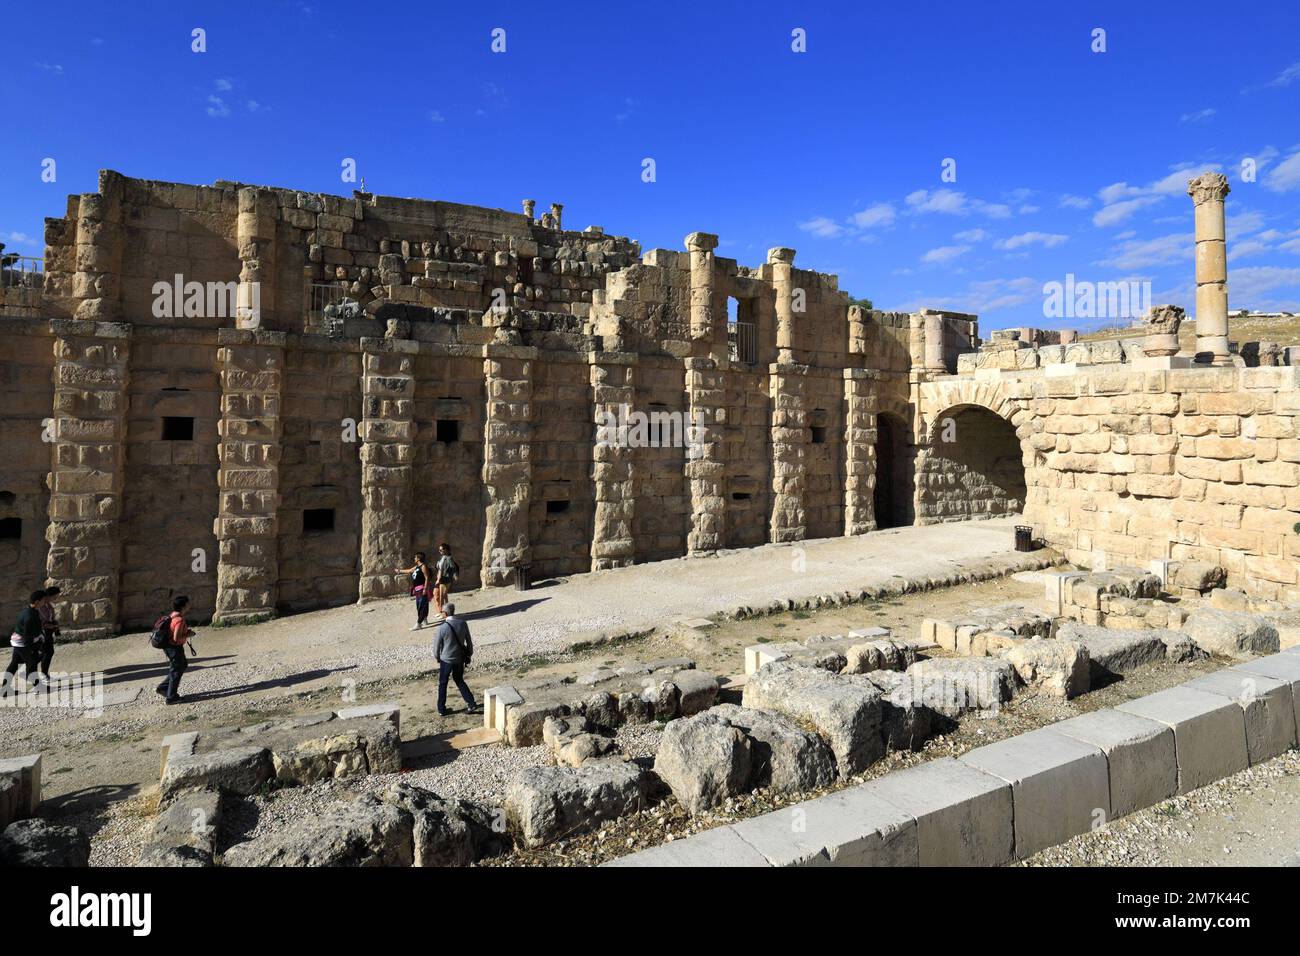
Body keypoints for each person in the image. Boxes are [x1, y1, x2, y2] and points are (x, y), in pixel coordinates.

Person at [432, 602, 477, 716]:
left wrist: (438, 658)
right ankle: (471, 703)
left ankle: (442, 709)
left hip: (446, 660)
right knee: (459, 680)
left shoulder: (442, 628)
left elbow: (436, 647)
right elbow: (469, 641)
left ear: (445, 613)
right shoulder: (463, 623)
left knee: (443, 684)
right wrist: (469, 654)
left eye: (442, 612)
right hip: (459, 659)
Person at [3, 590, 46, 694]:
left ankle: (5, 689)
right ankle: (37, 687)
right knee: (32, 662)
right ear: (37, 601)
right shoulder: (30, 616)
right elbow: (28, 636)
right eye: (43, 600)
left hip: (18, 641)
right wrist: (32, 649)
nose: (45, 602)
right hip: (23, 643)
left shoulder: (29, 610)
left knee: (14, 664)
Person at [154, 595, 194, 705]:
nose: (190, 605)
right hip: (174, 648)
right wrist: (188, 634)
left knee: (182, 665)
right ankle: (171, 697)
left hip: (169, 647)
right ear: (183, 606)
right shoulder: (179, 619)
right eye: (188, 603)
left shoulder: (172, 615)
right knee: (176, 671)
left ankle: (164, 688)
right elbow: (176, 638)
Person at [395, 551, 434, 630]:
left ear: (418, 558)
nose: (414, 558)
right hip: (417, 589)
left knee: (421, 606)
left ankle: (418, 623)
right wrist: (399, 571)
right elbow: (409, 571)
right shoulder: (417, 566)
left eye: (415, 557)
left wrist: (425, 589)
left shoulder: (423, 566)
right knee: (420, 605)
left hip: (422, 588)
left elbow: (427, 578)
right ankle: (424, 618)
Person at [36, 585, 61, 680]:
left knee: (47, 652)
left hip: (48, 631)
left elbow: (50, 617)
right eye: (55, 597)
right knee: (47, 652)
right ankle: (42, 673)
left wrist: (54, 623)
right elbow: (39, 621)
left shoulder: (48, 605)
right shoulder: (41, 606)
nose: (55, 599)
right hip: (43, 632)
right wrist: (48, 625)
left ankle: (43, 672)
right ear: (49, 596)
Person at [432, 542, 459, 617]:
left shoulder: (449, 558)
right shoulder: (442, 557)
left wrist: (455, 575)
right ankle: (445, 612)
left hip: (446, 579)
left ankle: (443, 613)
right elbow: (440, 568)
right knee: (443, 596)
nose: (440, 552)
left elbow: (453, 567)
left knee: (442, 596)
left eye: (441, 550)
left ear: (446, 550)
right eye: (439, 550)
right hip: (441, 578)